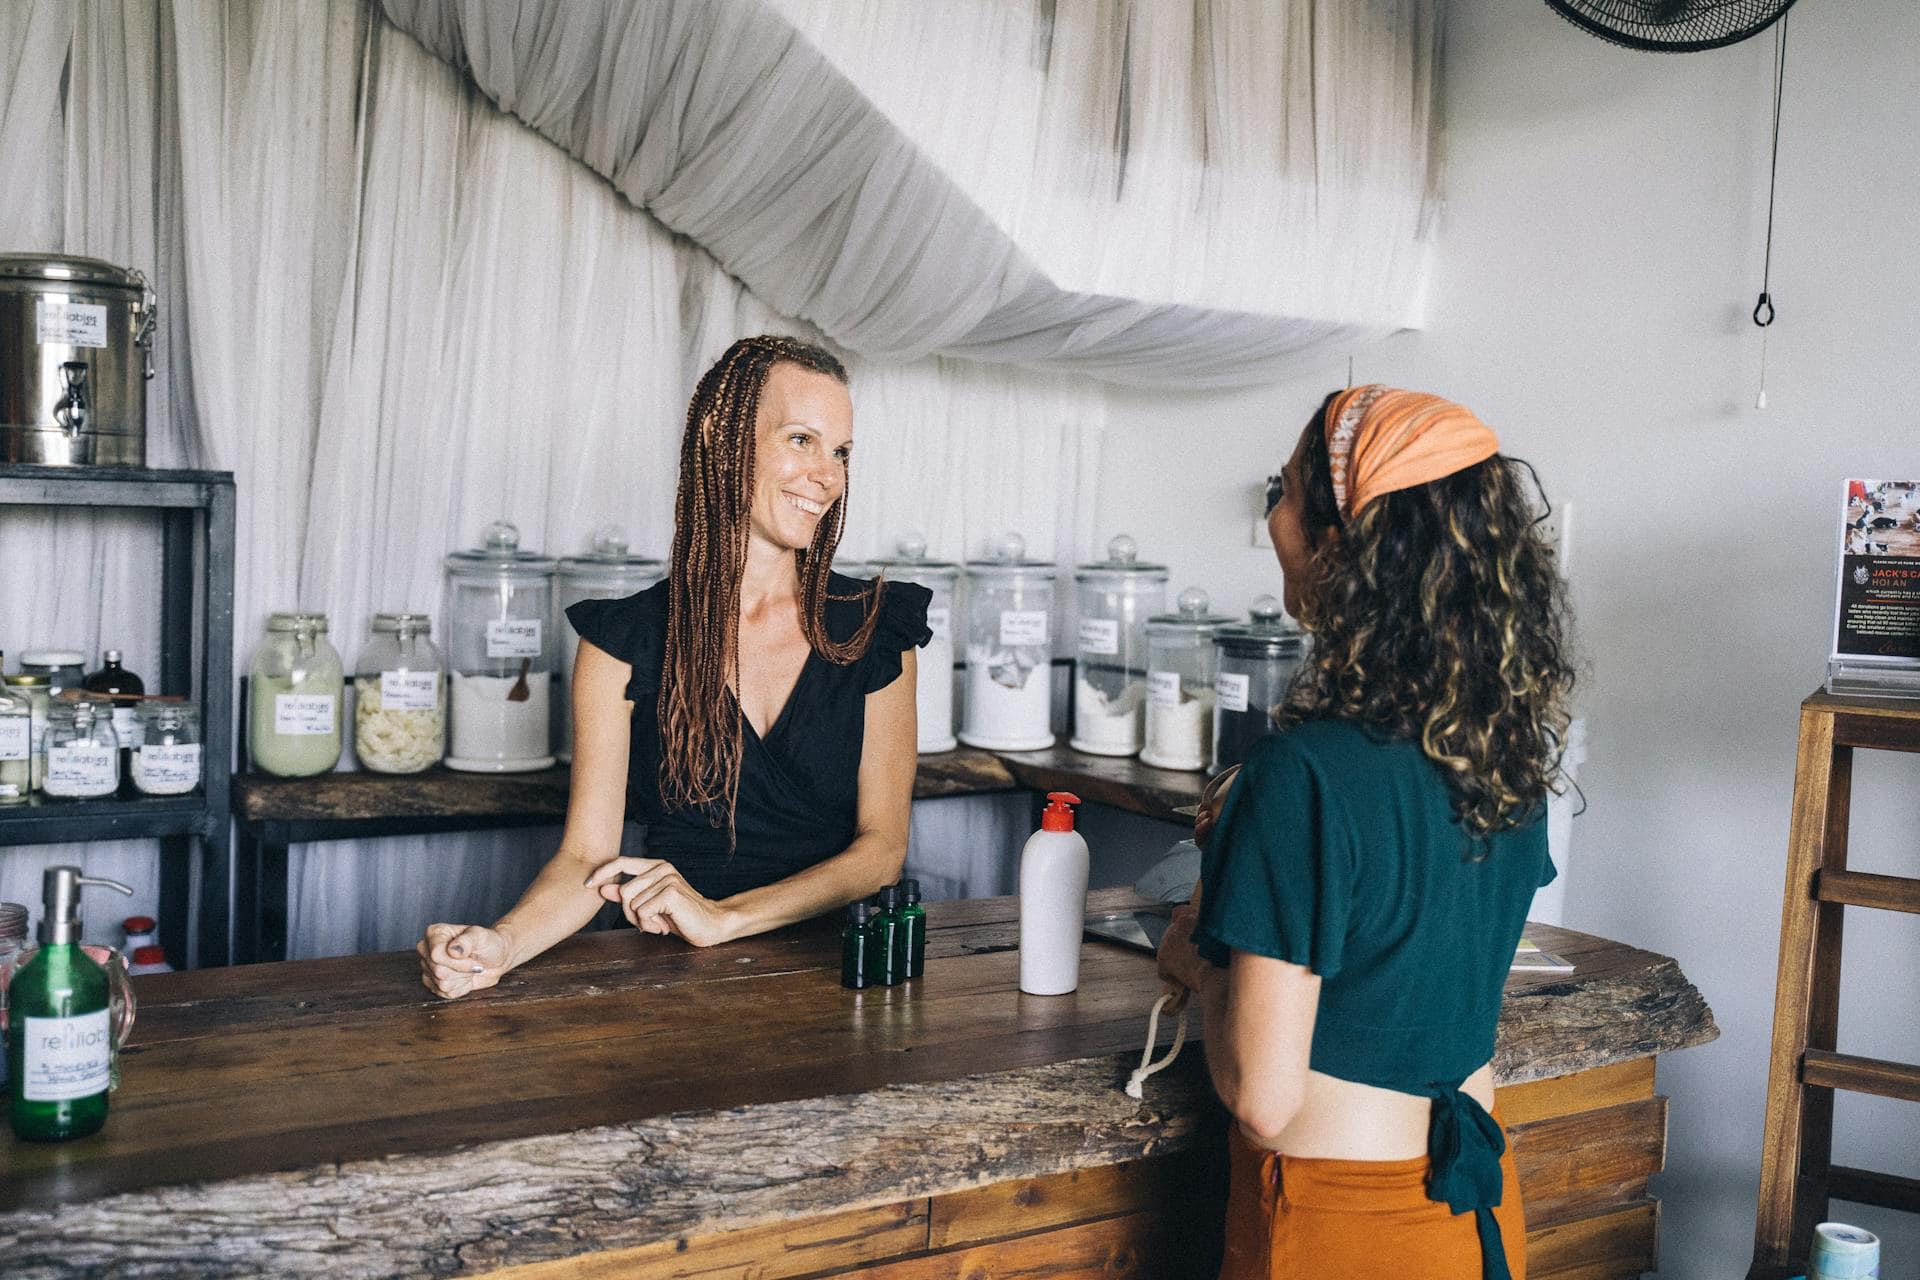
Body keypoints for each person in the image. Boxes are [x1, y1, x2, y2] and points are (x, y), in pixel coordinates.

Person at [1156, 384, 1575, 1280]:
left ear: (1344, 546)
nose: (1273, 515)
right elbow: (1406, 959)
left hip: (1343, 1223)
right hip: (1477, 1210)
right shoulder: (1504, 757)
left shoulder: (1300, 775)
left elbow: (1264, 1098)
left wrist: (1195, 953)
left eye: (1286, 490)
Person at [419, 335, 929, 997]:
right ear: (724, 435)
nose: (828, 475)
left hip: (842, 975)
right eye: (801, 439)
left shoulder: (878, 626)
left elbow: (881, 852)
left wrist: (725, 918)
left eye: (840, 452)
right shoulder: (621, 640)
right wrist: (501, 944)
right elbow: (587, 859)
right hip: (673, 974)